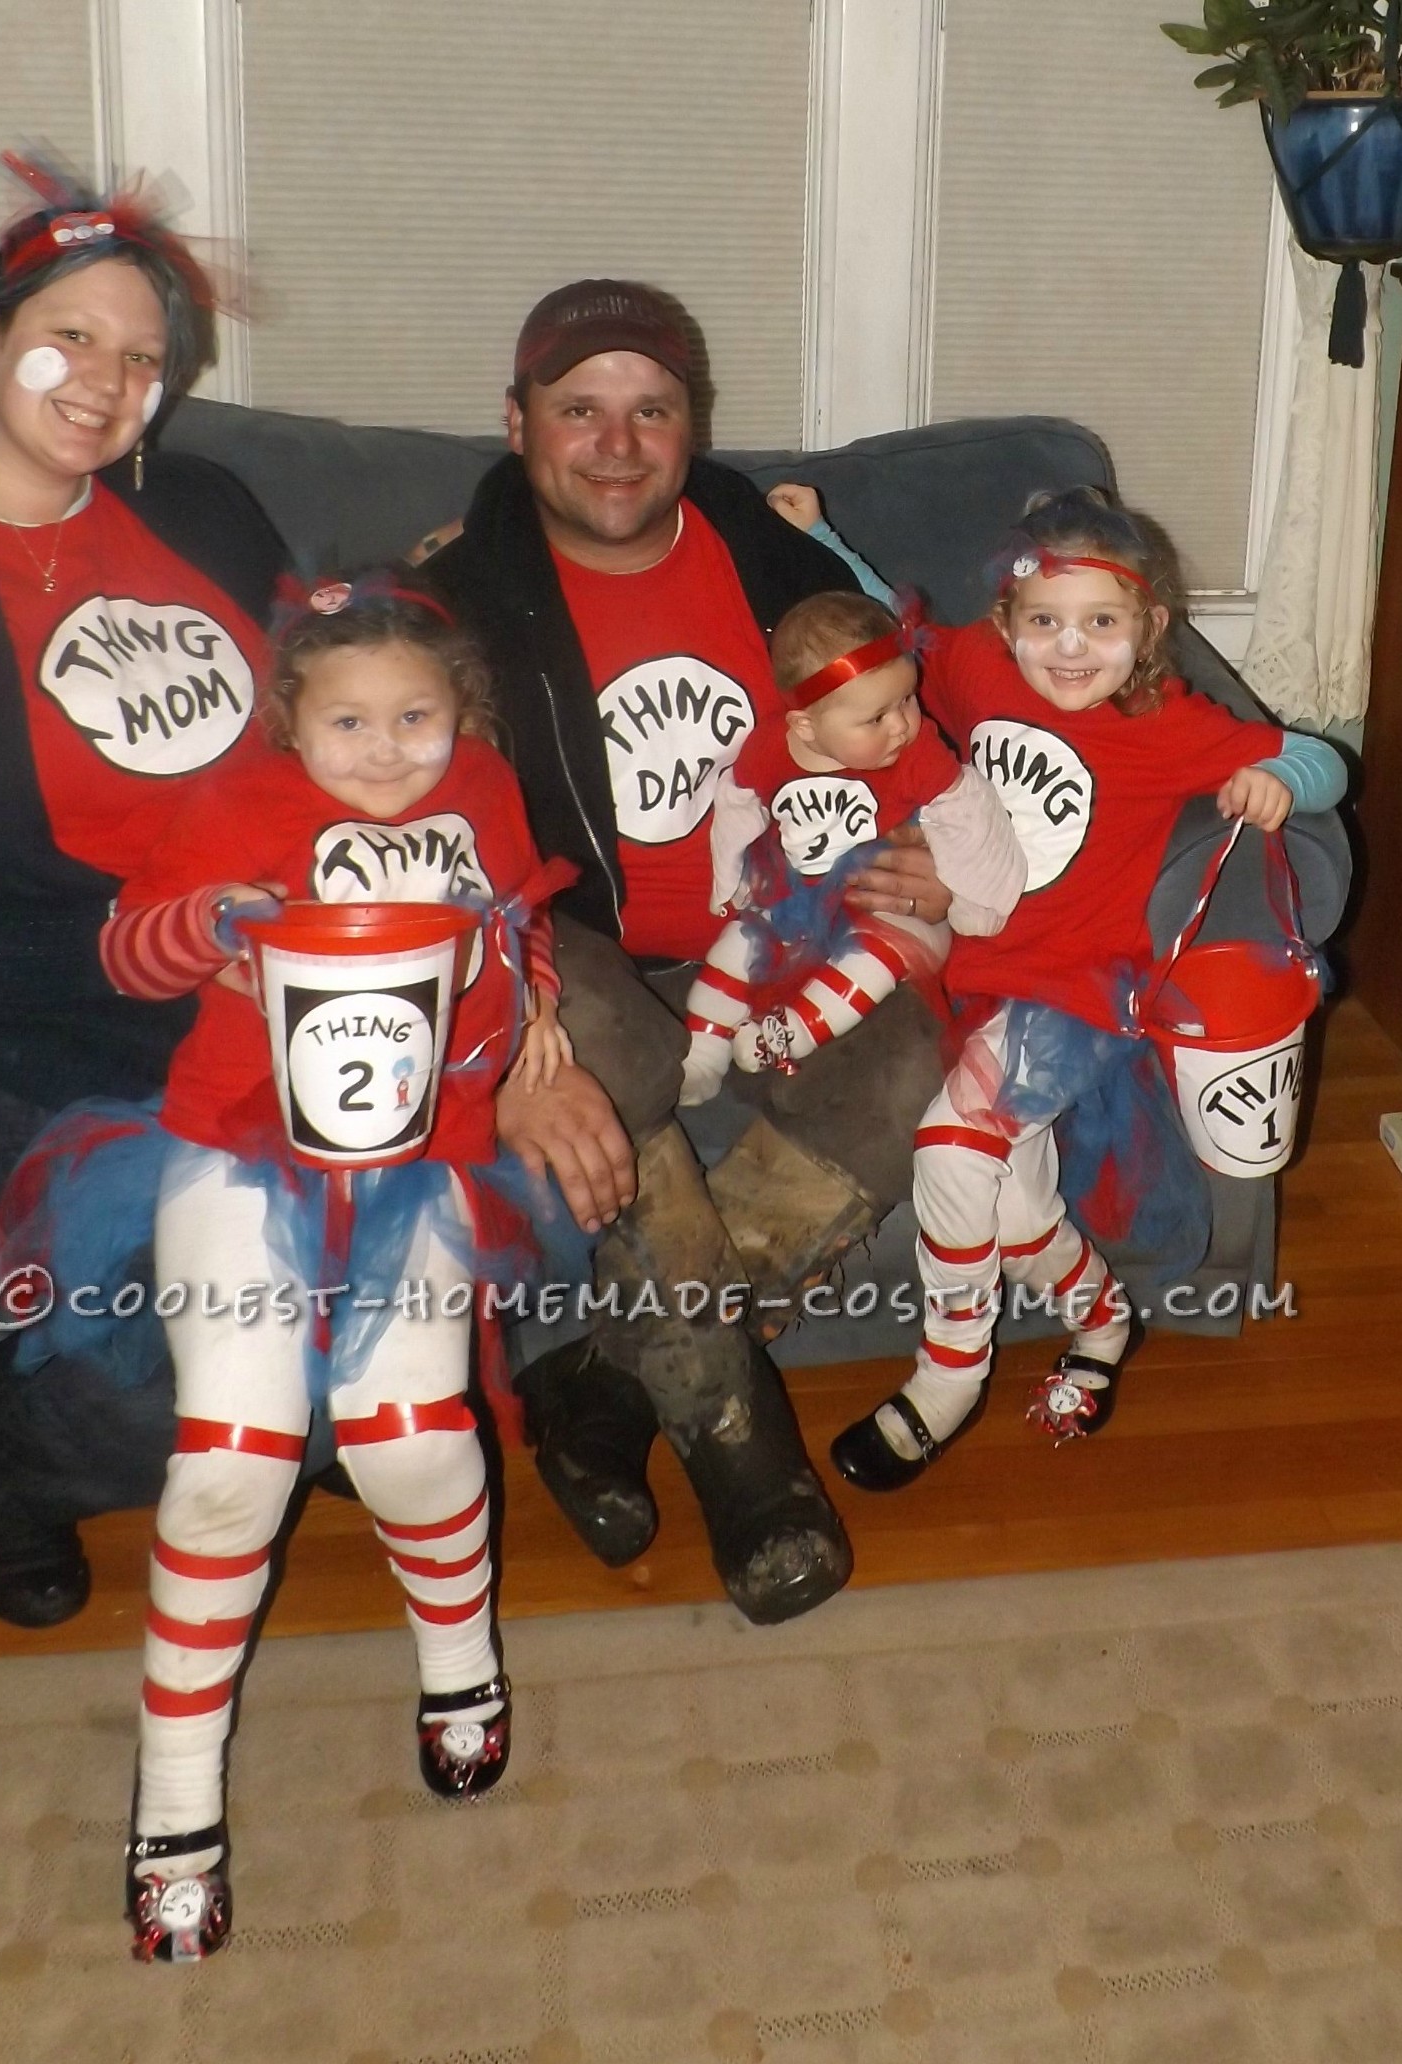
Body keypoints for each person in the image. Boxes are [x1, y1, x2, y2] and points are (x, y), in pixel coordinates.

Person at [427, 279, 955, 1623]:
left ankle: (603, 1383)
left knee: (905, 1066)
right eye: (579, 409)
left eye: (649, 408)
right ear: (517, 424)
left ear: (688, 422)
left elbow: (900, 709)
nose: (617, 441)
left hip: (775, 936)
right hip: (576, 947)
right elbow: (403, 822)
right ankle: (744, 1460)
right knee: (618, 1063)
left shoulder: (758, 544)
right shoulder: (452, 599)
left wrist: (929, 849)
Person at [62, 577, 566, 1959]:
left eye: (417, 715)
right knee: (234, 1458)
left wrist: (529, 1021)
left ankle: (460, 1661)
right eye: (350, 721)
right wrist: (216, 927)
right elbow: (122, 951)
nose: (388, 748)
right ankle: (173, 1801)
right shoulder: (237, 806)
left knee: (409, 1437)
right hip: (239, 1148)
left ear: (459, 711)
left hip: (421, 1164)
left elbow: (516, 931)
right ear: (292, 721)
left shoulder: (484, 795)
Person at [0, 152, 290, 1626]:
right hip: (51, 1024)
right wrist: (131, 949)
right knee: (169, 1386)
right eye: (73, 336)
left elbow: (320, 735)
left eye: (144, 357)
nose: (106, 382)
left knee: (345, 1331)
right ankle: (6, 1444)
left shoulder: (205, 512)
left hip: (285, 985)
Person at [829, 487, 1347, 1492]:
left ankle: (947, 1375)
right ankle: (1103, 1323)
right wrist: (819, 538)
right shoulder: (977, 667)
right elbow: (887, 644)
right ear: (1006, 626)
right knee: (1013, 1198)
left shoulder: (1167, 724)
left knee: (952, 1144)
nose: (1069, 650)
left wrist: (1283, 776)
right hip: (980, 974)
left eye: (1100, 624)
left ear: (1148, 627)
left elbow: (1324, 760)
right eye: (1044, 624)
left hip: (1076, 995)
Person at [678, 589, 1024, 1103]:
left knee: (874, 961)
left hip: (889, 909)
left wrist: (977, 904)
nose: (903, 724)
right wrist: (730, 885)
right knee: (735, 946)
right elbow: (737, 804)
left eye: (907, 699)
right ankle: (702, 1053)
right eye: (876, 717)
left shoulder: (918, 754)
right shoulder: (772, 747)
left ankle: (789, 1032)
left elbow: (968, 814)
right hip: (798, 897)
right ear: (806, 728)